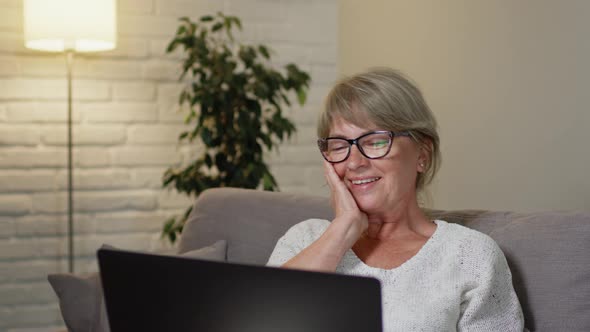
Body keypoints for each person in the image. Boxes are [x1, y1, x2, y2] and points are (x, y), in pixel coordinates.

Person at [267, 68, 524, 331]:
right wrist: (343, 229)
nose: (354, 163)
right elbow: (258, 321)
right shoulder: (304, 239)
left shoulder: (469, 255)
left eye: (376, 141)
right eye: (340, 145)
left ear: (422, 153)